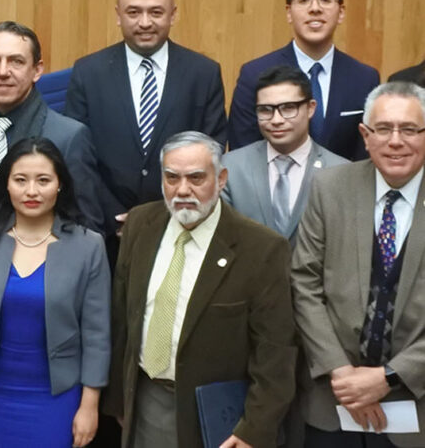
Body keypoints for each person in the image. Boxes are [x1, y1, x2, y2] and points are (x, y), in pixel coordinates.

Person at [105, 131, 296, 448]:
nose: (182, 190)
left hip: (220, 420)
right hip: (146, 401)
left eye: (196, 178)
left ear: (221, 179)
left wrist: (253, 429)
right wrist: (119, 401)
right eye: (171, 177)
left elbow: (275, 354)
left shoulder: (261, 249)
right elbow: (122, 319)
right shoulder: (140, 224)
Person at [292, 81, 425, 447]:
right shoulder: (329, 188)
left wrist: (390, 376)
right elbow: (304, 282)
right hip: (332, 404)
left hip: (416, 411)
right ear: (365, 135)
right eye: (383, 129)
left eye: (410, 129)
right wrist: (342, 373)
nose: (395, 141)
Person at [0, 137, 110, 448]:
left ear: (60, 185)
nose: (31, 191)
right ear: (6, 185)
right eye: (20, 180)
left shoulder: (88, 245)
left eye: (43, 180)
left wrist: (90, 405)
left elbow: (97, 333)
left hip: (57, 395)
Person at [64, 0, 227, 245]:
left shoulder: (203, 73)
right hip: (104, 233)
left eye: (156, 12)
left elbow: (213, 150)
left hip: (181, 227)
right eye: (133, 12)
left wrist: (158, 216)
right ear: (118, 15)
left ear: (173, 15)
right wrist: (109, 217)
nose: (145, 23)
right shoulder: (88, 72)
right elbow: (78, 158)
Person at [0, 21, 104, 256]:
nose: (2, 72)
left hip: (38, 278)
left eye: (16, 61)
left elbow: (87, 230)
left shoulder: (69, 136)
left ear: (37, 70)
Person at [228, 0, 379, 160]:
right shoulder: (254, 73)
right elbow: (243, 151)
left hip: (342, 188)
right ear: (289, 13)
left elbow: (366, 153)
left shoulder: (365, 78)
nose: (315, 9)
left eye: (325, 0)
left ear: (341, 12)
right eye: (304, 0)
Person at [222, 65, 348, 244]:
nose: (276, 120)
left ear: (311, 108)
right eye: (265, 110)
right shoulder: (231, 168)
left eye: (288, 108)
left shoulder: (341, 172)